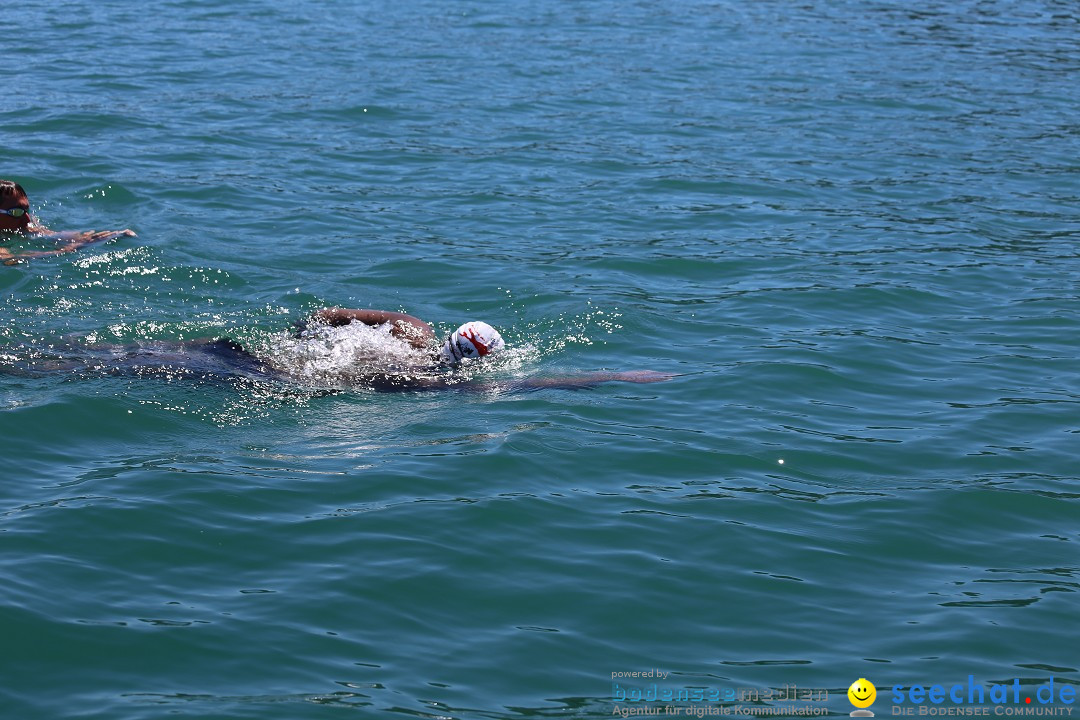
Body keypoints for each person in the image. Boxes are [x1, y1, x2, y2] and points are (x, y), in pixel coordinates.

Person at [1, 307, 673, 392]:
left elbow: (329, 313)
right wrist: (622, 375)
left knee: (149, 351)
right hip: (278, 380)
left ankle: (33, 352)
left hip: (269, 354)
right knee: (149, 367)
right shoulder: (440, 384)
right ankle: (33, 359)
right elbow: (542, 384)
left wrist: (308, 331)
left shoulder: (408, 330)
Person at [0, 179, 136, 265]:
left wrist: (86, 239)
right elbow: (10, 260)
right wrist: (64, 251)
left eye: (27, 210)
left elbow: (47, 235)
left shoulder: (22, 223)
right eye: (16, 212)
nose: (28, 219)